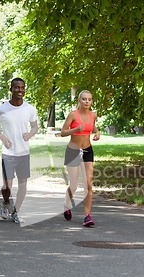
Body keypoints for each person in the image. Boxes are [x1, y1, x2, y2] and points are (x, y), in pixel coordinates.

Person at [0, 78, 38, 224]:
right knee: (7, 186)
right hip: (8, 153)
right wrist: (3, 138)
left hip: (24, 152)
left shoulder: (30, 109)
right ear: (11, 89)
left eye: (22, 88)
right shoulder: (2, 109)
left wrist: (30, 134)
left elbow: (35, 126)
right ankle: (5, 203)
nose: (20, 90)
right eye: (16, 88)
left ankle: (16, 211)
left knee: (23, 185)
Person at [60, 90, 100, 227]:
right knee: (74, 184)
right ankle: (66, 204)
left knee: (88, 184)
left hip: (87, 150)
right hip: (73, 151)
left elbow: (92, 126)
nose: (87, 102)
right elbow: (62, 132)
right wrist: (75, 130)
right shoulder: (73, 115)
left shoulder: (93, 115)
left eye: (89, 99)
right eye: (84, 99)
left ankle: (87, 216)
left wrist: (97, 132)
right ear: (79, 100)